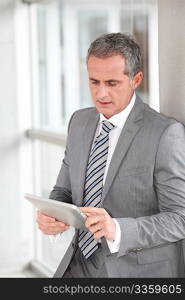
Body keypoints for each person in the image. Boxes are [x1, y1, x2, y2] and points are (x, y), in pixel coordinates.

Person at [37, 32, 185, 278]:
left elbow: (180, 218)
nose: (101, 94)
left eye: (112, 83)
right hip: (78, 263)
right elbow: (64, 191)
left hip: (135, 271)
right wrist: (53, 215)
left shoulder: (165, 134)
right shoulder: (79, 122)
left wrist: (117, 228)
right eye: (94, 82)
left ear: (136, 79)